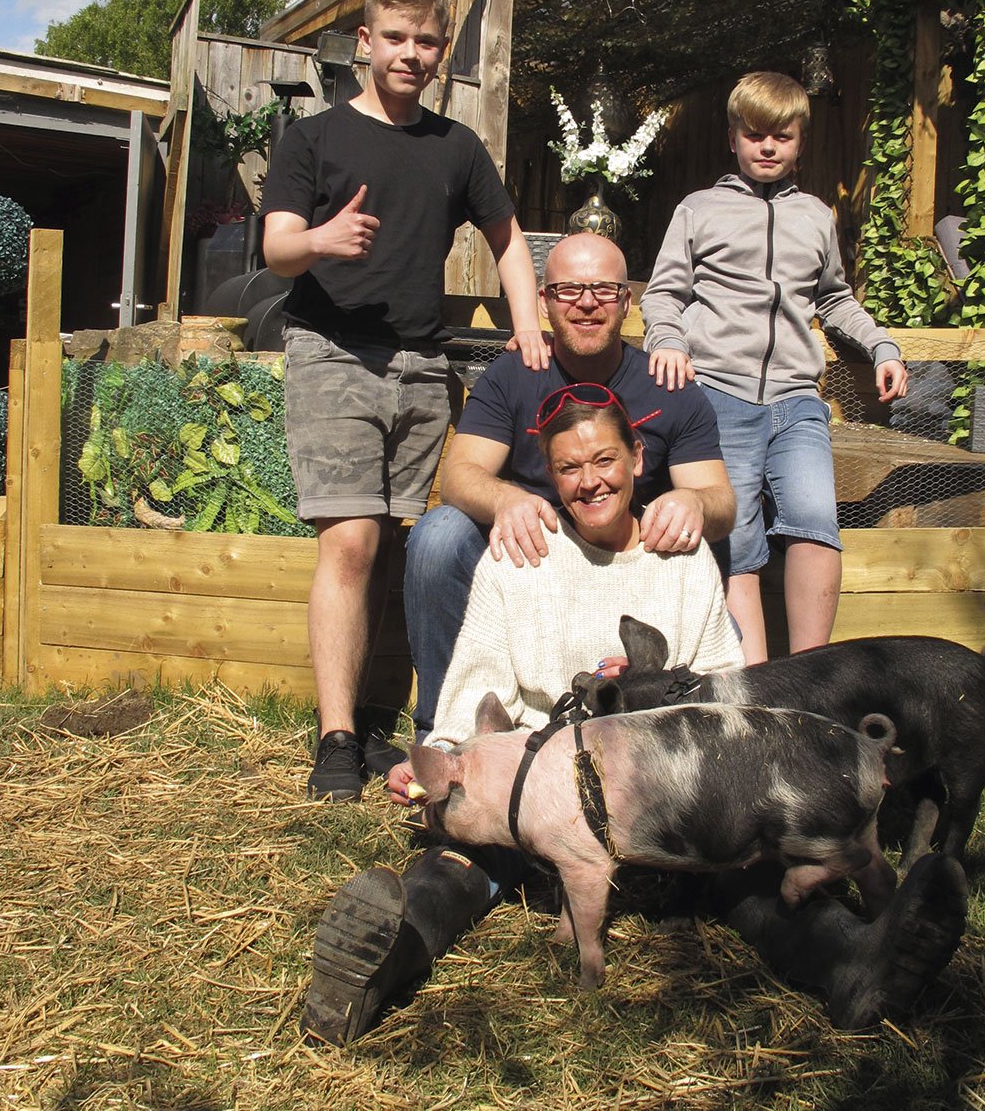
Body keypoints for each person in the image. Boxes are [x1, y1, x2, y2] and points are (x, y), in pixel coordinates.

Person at [301, 387, 745, 1045]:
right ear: (550, 475)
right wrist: (440, 764)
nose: (589, 481)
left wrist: (651, 688)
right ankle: (380, 961)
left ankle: (852, 957)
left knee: (756, 876)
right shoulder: (522, 552)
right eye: (569, 467)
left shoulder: (681, 556)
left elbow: (726, 696)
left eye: (604, 460)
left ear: (637, 456)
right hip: (533, 805)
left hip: (653, 802)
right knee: (455, 861)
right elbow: (476, 681)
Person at [261, 0, 548, 802]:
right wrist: (322, 239)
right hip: (333, 353)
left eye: (426, 41)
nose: (410, 53)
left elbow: (507, 237)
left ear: (442, 49)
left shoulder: (455, 147)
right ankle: (335, 741)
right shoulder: (313, 139)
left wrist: (528, 323)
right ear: (365, 41)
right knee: (351, 542)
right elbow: (276, 248)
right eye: (395, 37)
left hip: (422, 366)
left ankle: (370, 716)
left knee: (391, 542)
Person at [402, 231, 736, 746]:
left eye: (603, 289)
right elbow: (459, 475)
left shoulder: (668, 385)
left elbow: (722, 502)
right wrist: (507, 498)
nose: (586, 302)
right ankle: (445, 734)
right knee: (439, 536)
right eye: (568, 290)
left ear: (626, 302)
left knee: (722, 620)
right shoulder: (514, 374)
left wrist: (692, 501)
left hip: (637, 567)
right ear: (544, 301)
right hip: (534, 563)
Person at [641, 71, 910, 663]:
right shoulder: (699, 209)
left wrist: (882, 346)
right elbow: (663, 294)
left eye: (781, 137)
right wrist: (668, 340)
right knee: (734, 536)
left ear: (800, 143)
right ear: (732, 138)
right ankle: (757, 685)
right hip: (719, 395)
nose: (767, 147)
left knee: (816, 522)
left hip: (797, 400)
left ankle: (814, 677)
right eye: (754, 135)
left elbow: (834, 298)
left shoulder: (815, 216)